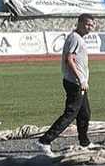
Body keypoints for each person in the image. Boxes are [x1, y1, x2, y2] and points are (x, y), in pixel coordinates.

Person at [35, 14, 96, 155]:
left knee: (85, 114)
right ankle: (44, 141)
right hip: (75, 83)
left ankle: (84, 142)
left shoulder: (78, 38)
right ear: (79, 23)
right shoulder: (75, 38)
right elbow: (70, 59)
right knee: (70, 114)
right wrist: (81, 79)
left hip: (79, 83)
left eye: (92, 25)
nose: (90, 27)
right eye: (87, 24)